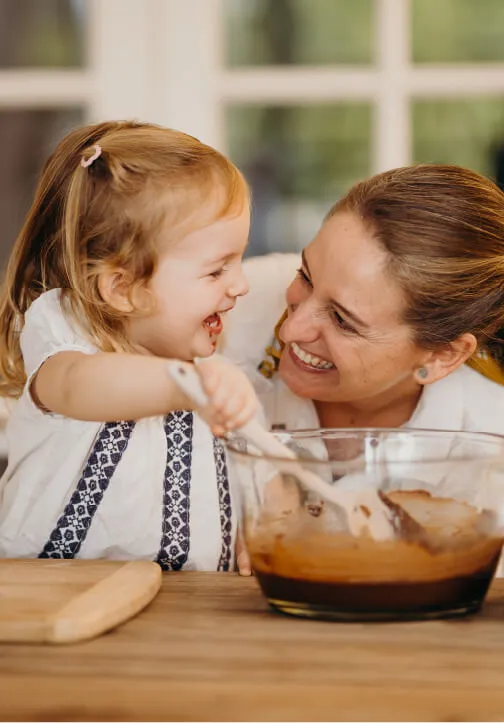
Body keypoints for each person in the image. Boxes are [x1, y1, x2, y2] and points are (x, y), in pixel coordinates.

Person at [0, 120, 258, 570]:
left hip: (188, 607)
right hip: (55, 594)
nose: (240, 285)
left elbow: (256, 463)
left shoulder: (202, 361)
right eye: (217, 270)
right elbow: (80, 385)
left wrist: (261, 521)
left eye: (239, 261)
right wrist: (184, 384)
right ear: (125, 289)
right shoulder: (65, 336)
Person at [222, 164, 504, 435]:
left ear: (443, 355)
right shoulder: (225, 296)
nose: (289, 330)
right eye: (305, 277)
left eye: (342, 320)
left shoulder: (489, 452)